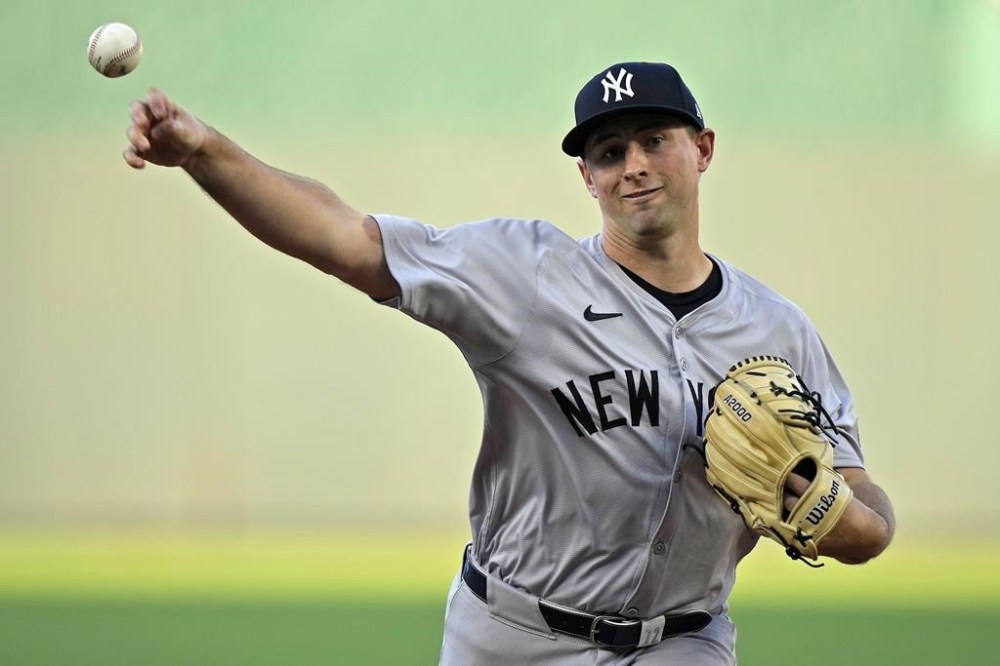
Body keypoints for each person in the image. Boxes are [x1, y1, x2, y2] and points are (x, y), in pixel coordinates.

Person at [123, 61, 895, 664]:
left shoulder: (776, 330)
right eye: (609, 150)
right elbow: (344, 239)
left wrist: (828, 510)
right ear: (585, 177)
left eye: (654, 139)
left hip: (684, 643)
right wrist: (204, 152)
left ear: (703, 148)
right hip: (513, 638)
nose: (634, 165)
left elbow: (867, 514)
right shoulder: (527, 275)